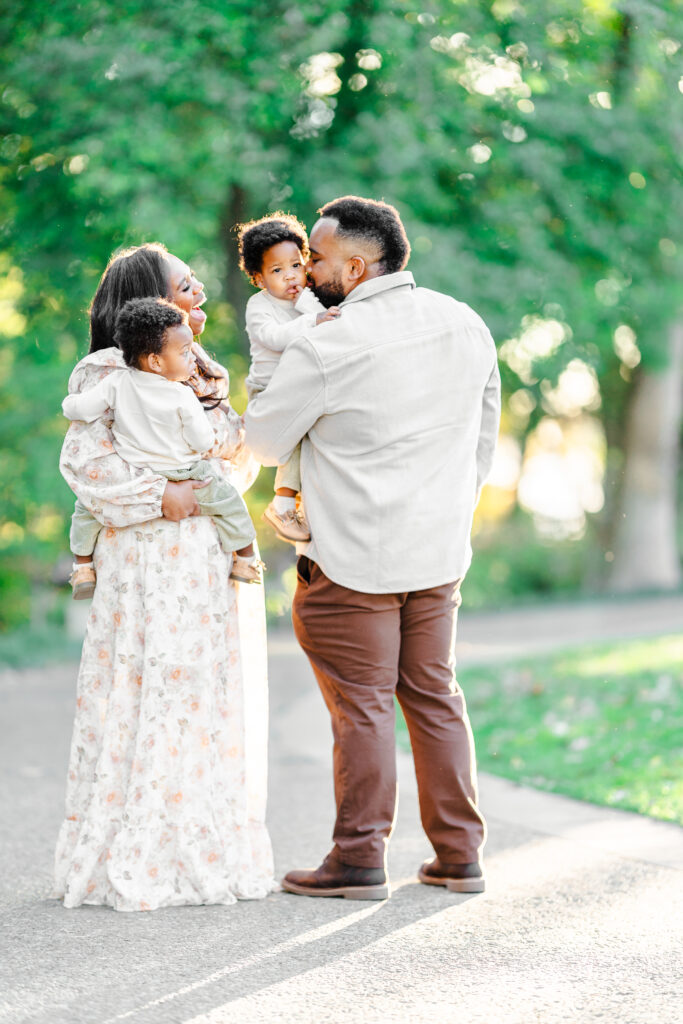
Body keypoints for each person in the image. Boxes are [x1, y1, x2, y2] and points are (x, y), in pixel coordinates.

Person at [244, 195, 500, 900]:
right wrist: (449, 511)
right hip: (438, 552)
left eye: (317, 258)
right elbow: (482, 440)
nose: (304, 270)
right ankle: (459, 856)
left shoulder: (327, 343)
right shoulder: (464, 323)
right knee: (435, 696)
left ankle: (357, 859)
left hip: (351, 559)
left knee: (361, 708)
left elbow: (262, 441)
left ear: (355, 267)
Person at [54, 243, 275, 911]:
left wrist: (201, 483)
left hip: (199, 558)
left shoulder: (199, 370)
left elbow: (234, 458)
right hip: (144, 556)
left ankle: (197, 845)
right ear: (149, 299)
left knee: (197, 692)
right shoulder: (103, 372)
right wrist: (161, 497)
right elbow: (85, 464)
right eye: (184, 284)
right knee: (143, 684)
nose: (200, 289)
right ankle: (134, 851)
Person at [62, 297, 263, 585]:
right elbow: (203, 440)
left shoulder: (116, 383)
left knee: (87, 509)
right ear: (156, 361)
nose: (193, 358)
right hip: (184, 472)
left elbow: (81, 409)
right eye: (185, 352)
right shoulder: (181, 394)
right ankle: (245, 559)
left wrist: (69, 403)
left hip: (139, 472)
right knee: (228, 501)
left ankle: (81, 567)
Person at [237, 212, 339, 544]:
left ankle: (288, 501)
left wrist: (311, 308)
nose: (290, 276)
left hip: (298, 386)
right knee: (298, 437)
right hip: (269, 390)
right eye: (277, 271)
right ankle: (282, 504)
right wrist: (314, 320)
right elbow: (276, 337)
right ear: (258, 278)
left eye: (296, 265)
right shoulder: (259, 306)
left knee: (312, 434)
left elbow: (325, 328)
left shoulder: (306, 298)